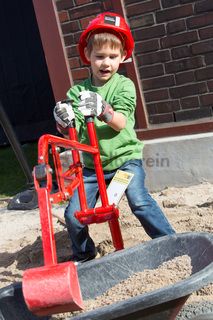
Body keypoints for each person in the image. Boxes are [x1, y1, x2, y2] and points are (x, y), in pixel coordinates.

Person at [53, 12, 175, 263]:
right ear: (87, 56)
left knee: (139, 201)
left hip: (125, 160)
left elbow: (119, 123)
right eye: (99, 56)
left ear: (123, 57)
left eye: (112, 56)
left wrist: (102, 109)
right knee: (74, 214)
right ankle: (85, 254)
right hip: (90, 167)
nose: (105, 63)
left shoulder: (123, 86)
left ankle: (170, 243)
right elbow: (71, 129)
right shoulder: (77, 91)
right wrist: (63, 121)